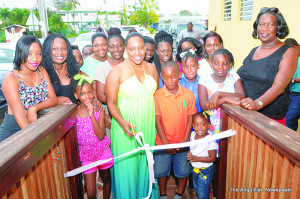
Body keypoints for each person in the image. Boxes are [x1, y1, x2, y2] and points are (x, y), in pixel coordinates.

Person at [105, 32, 159, 199]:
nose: (137, 52)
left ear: (146, 49)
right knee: (127, 169)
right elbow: (111, 103)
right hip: (125, 128)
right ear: (126, 50)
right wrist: (122, 122)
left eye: (141, 48)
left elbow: (155, 97)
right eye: (132, 48)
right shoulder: (116, 71)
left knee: (145, 165)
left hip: (147, 125)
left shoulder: (152, 68)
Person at [237, 7, 298, 125]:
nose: (265, 29)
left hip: (270, 120)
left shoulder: (289, 52)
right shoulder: (253, 51)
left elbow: (278, 87)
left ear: (278, 28)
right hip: (246, 114)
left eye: (270, 25)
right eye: (261, 24)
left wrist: (257, 104)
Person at [0, 35, 57, 142]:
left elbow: (53, 99)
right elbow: (20, 116)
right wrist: (37, 139)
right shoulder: (11, 78)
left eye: (38, 53)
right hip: (13, 132)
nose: (35, 58)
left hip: (35, 124)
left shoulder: (41, 71)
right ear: (20, 53)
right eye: (29, 53)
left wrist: (34, 108)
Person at [154, 61, 197, 199]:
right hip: (162, 143)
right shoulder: (157, 96)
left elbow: (190, 118)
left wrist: (185, 139)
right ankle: (162, 194)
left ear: (179, 75)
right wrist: (165, 143)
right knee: (161, 171)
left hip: (182, 142)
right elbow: (157, 120)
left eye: (173, 77)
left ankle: (179, 194)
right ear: (161, 77)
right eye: (165, 78)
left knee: (183, 171)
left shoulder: (188, 94)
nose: (169, 81)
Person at [70, 74, 113, 199]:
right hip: (86, 155)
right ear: (76, 95)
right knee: (91, 192)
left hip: (102, 150)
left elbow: (100, 136)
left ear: (93, 93)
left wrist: (92, 115)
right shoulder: (74, 113)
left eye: (90, 92)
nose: (87, 96)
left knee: (106, 180)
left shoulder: (99, 110)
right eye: (82, 94)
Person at [199, 49, 245, 154]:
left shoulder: (234, 77)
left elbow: (241, 97)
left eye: (225, 63)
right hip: (212, 127)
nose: (220, 67)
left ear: (230, 65)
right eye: (216, 63)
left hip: (231, 125)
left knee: (229, 156)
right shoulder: (204, 80)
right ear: (211, 64)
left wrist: (219, 95)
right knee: (212, 155)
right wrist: (225, 100)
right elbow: (204, 105)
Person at [42, 33, 79, 105]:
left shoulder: (73, 68)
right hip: (54, 115)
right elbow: (35, 100)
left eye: (63, 49)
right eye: (55, 49)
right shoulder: (41, 72)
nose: (60, 53)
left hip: (76, 113)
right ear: (47, 51)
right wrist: (55, 101)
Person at [187, 112, 217, 199]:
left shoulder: (210, 140)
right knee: (197, 190)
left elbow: (212, 158)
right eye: (196, 125)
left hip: (206, 171)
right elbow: (191, 148)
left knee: (202, 194)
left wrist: (195, 158)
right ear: (193, 126)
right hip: (195, 169)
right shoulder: (192, 135)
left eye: (203, 124)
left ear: (208, 125)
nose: (199, 127)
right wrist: (189, 153)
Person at [95, 29, 125, 104]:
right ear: (108, 48)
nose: (116, 50)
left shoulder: (131, 63)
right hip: (112, 110)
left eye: (119, 46)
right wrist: (119, 105)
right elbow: (101, 96)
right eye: (112, 47)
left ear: (124, 46)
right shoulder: (102, 68)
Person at [285, 38, 300, 131]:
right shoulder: (291, 58)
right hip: (288, 94)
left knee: (289, 121)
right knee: (287, 121)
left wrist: (293, 80)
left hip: (298, 95)